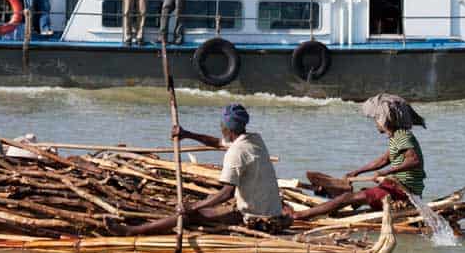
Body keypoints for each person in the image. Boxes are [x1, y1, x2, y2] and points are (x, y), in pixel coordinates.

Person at [111, 104, 289, 236]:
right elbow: (217, 143)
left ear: (226, 127)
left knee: (192, 215)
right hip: (270, 210)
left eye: (221, 124)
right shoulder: (254, 139)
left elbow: (227, 193)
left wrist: (193, 206)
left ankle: (132, 231)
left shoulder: (236, 152)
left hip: (256, 217)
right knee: (203, 209)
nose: (220, 127)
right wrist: (187, 134)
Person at [292, 93, 426, 221]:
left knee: (345, 198)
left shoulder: (402, 135)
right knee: (358, 194)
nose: (376, 123)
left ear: (384, 118)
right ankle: (336, 207)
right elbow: (384, 160)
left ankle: (299, 215)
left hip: (401, 192)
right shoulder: (397, 136)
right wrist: (357, 172)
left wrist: (385, 172)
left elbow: (413, 160)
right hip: (396, 187)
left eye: (376, 119)